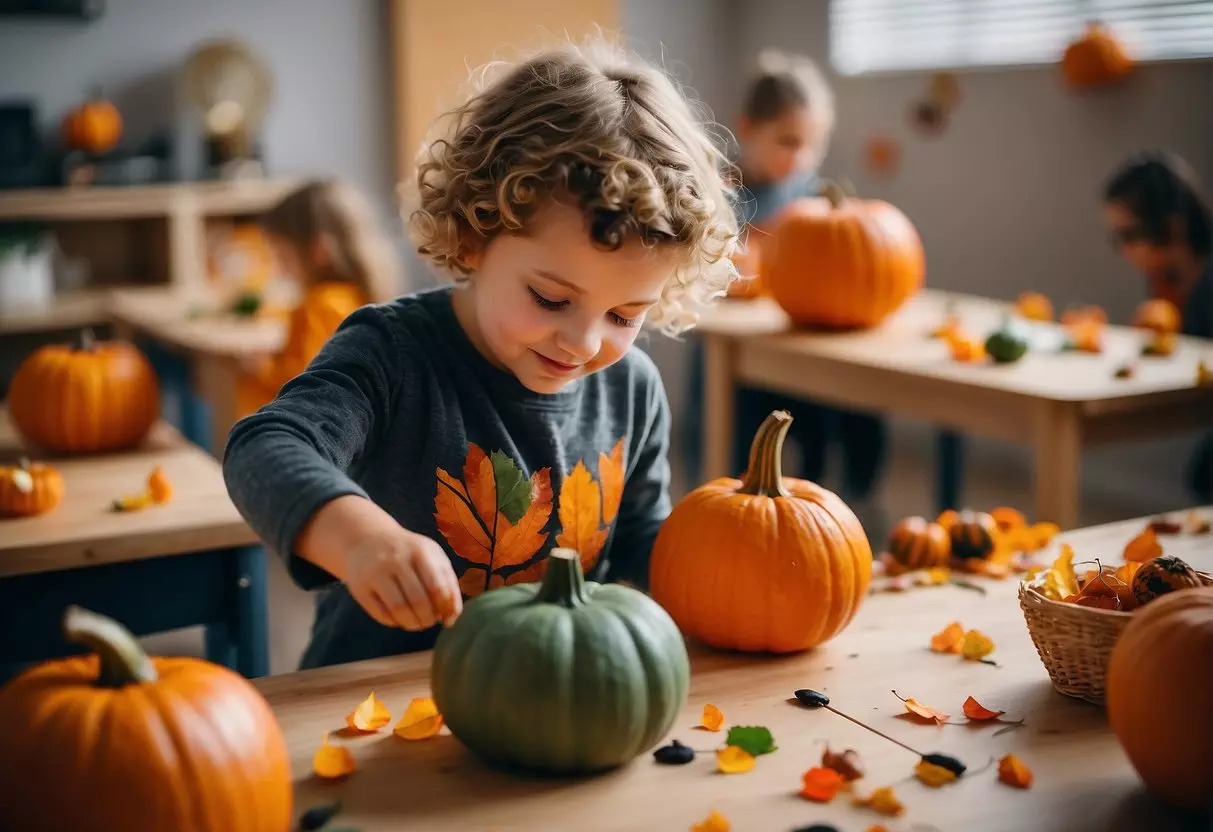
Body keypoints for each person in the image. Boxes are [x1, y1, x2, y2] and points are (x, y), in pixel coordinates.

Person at [222, 40, 739, 669]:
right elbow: (265, 446)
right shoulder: (392, 353)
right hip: (374, 701)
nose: (582, 341)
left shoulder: (633, 388)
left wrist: (746, 570)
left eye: (625, 315)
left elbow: (640, 543)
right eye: (551, 299)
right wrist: (359, 539)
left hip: (552, 697)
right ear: (473, 236)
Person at [686, 51, 888, 527]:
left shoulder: (815, 195)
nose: (799, 157)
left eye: (812, 146)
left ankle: (833, 512)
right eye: (787, 141)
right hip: (736, 357)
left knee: (843, 407)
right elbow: (709, 269)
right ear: (748, 128)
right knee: (734, 449)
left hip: (800, 343)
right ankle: (727, 522)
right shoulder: (720, 191)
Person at [235, 179, 401, 418]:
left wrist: (261, 367)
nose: (280, 269)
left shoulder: (322, 304)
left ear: (318, 251)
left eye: (283, 257)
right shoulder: (350, 296)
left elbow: (308, 380)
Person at [1103, 150, 1212, 502]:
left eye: (1129, 236)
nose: (1124, 250)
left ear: (1171, 227)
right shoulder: (1164, 281)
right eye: (1116, 238)